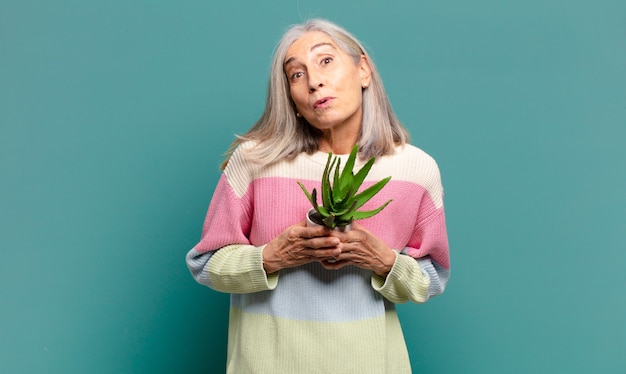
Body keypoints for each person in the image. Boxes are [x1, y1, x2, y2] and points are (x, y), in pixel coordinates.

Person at [186, 18, 450, 373]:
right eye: (296, 74)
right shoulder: (255, 160)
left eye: (326, 60)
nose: (314, 81)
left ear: (363, 70)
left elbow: (432, 276)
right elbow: (205, 264)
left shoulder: (417, 170)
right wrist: (272, 257)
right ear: (291, 97)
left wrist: (383, 261)